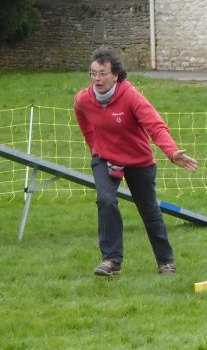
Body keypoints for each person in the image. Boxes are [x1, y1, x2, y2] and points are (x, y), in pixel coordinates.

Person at [74, 46, 198, 276]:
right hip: (105, 158)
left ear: (116, 75)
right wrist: (95, 147)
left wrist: (172, 153)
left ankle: (165, 262)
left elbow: (155, 126)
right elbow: (84, 121)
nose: (97, 79)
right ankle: (111, 260)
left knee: (149, 211)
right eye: (93, 73)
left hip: (138, 160)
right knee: (106, 200)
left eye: (102, 73)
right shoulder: (83, 99)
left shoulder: (131, 96)